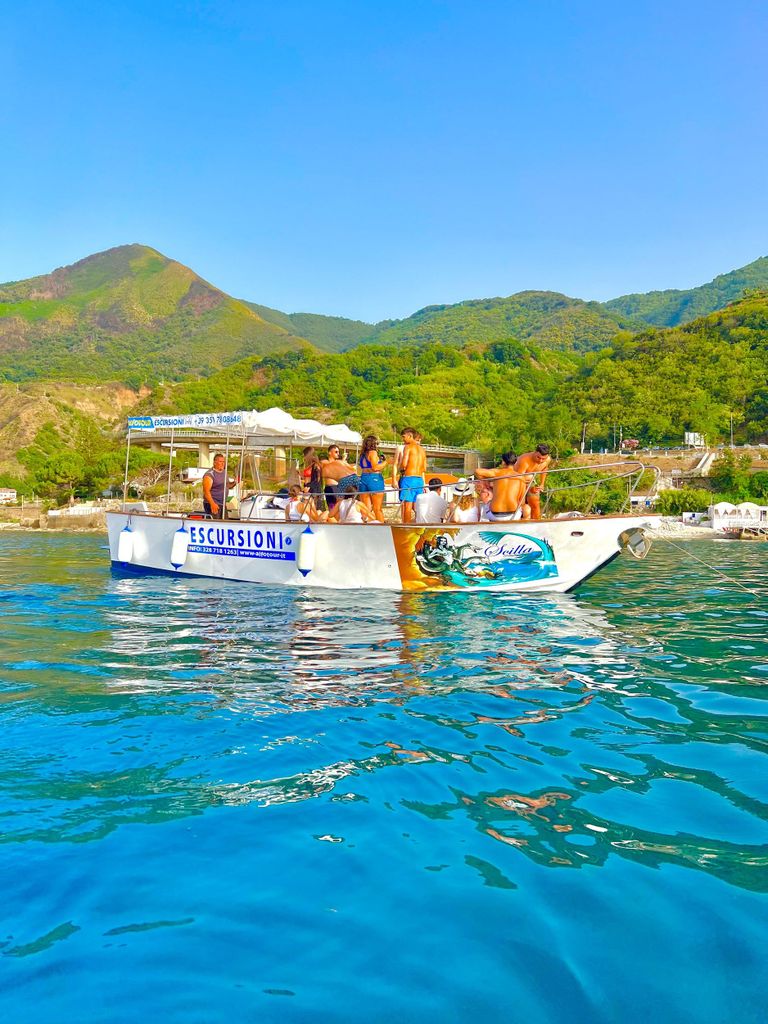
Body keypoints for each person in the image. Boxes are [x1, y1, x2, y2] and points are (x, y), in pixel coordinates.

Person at [475, 451, 530, 521]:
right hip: (513, 516)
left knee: (488, 501)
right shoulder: (521, 477)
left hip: (494, 515)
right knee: (526, 507)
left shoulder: (497, 473)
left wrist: (485, 481)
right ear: (515, 462)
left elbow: (477, 471)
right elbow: (522, 501)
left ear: (503, 462)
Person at [514, 444, 552, 520]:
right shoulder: (524, 460)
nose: (540, 460)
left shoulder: (548, 460)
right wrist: (528, 489)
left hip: (531, 482)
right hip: (516, 483)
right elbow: (518, 479)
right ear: (535, 452)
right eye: (538, 457)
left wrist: (542, 484)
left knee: (535, 502)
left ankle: (537, 522)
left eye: (543, 459)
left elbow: (544, 469)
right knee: (521, 505)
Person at [399, 426, 427, 523]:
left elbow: (404, 464)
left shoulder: (408, 447)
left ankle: (406, 527)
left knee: (407, 506)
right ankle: (419, 525)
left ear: (410, 436)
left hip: (409, 479)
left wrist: (400, 469)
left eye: (403, 437)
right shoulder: (422, 450)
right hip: (419, 480)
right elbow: (424, 468)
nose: (403, 440)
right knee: (417, 507)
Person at [358, 435, 387, 522]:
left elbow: (364, 467)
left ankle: (368, 526)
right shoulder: (373, 453)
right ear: (373, 444)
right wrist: (386, 462)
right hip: (374, 479)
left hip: (363, 478)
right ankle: (382, 528)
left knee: (366, 508)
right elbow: (375, 467)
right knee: (377, 508)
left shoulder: (362, 455)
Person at [320, 444, 356, 510]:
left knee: (340, 506)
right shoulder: (325, 462)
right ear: (330, 452)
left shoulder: (339, 462)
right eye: (336, 452)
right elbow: (329, 466)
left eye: (338, 452)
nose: (338, 454)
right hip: (330, 487)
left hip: (338, 487)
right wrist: (342, 461)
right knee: (332, 507)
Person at [202, 453, 228, 519]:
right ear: (215, 462)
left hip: (222, 504)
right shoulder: (209, 475)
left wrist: (235, 482)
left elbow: (227, 486)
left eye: (223, 462)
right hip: (213, 503)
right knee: (215, 525)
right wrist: (212, 504)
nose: (222, 464)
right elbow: (206, 491)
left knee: (225, 524)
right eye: (220, 462)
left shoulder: (224, 472)